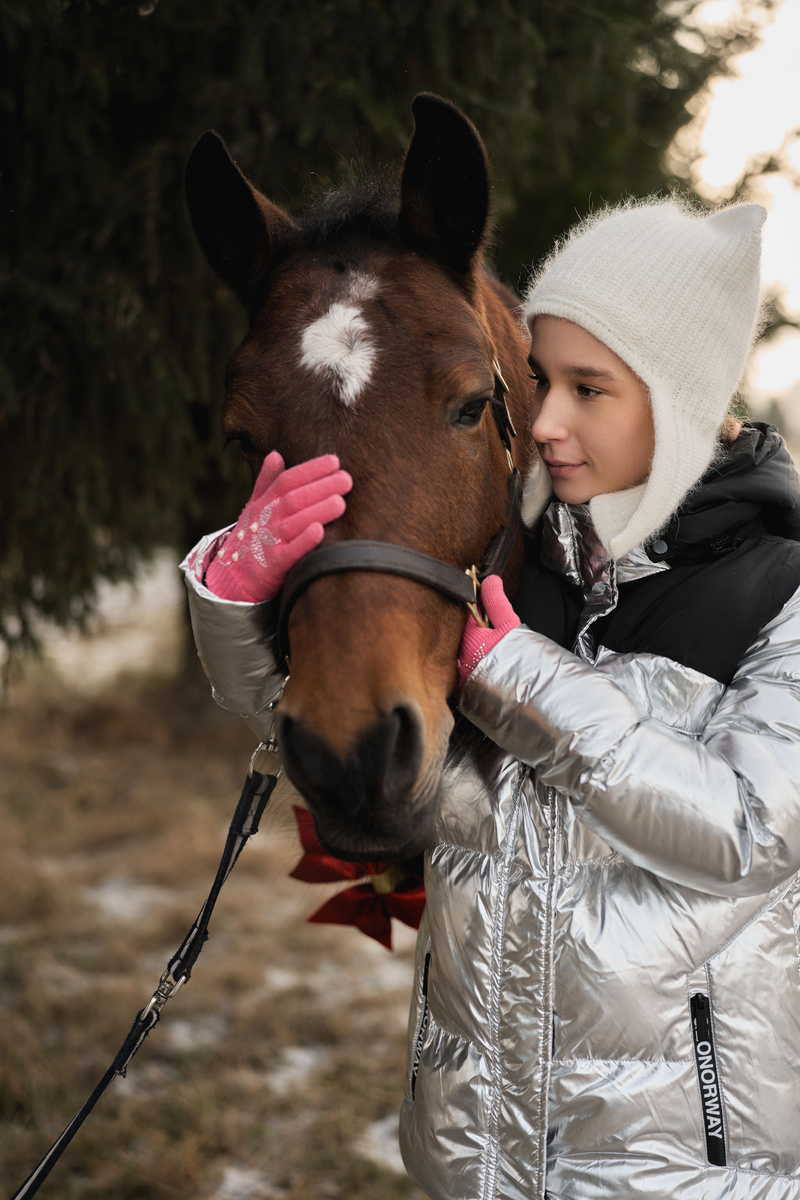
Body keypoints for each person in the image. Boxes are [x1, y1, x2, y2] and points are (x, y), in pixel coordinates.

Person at [181, 198, 800, 1199]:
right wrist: (232, 594)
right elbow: (328, 730)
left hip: (691, 1175)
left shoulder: (779, 596)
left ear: (678, 396)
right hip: (476, 1166)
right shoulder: (509, 580)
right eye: (538, 378)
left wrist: (516, 674)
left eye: (585, 389)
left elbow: (745, 828)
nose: (541, 418)